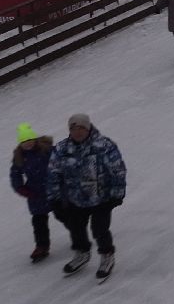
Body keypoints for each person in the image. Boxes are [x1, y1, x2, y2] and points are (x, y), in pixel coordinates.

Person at [47, 112, 125, 278]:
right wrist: (54, 199)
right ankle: (82, 252)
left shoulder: (103, 145)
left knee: (99, 229)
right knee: (76, 228)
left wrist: (117, 194)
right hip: (76, 199)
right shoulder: (62, 149)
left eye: (82, 128)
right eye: (74, 128)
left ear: (88, 128)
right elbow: (53, 174)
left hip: (102, 199)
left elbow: (117, 169)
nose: (78, 132)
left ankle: (107, 255)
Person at [10, 122, 57, 263]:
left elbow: (63, 159)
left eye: (29, 141)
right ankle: (42, 246)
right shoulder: (19, 156)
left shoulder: (47, 150)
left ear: (34, 140)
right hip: (35, 194)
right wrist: (20, 188)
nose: (28, 144)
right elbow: (15, 174)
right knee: (39, 222)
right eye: (24, 142)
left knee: (66, 215)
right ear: (20, 144)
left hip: (54, 189)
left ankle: (79, 235)